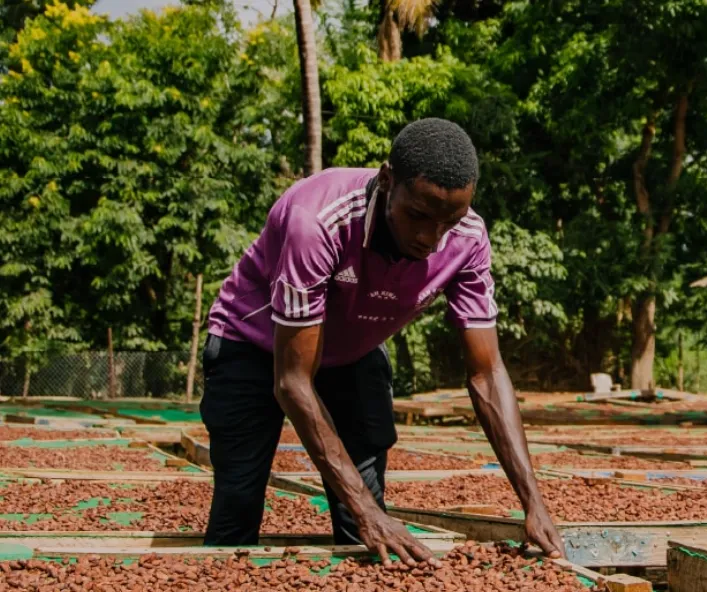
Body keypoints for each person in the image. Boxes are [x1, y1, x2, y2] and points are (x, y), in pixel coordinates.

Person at [200, 118, 565, 565]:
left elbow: (487, 373)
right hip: (253, 347)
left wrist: (533, 502)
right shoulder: (318, 221)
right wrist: (368, 512)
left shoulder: (468, 238)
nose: (430, 239)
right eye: (418, 216)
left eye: (448, 222)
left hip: (352, 353)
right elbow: (292, 381)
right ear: (387, 179)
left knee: (365, 523)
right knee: (239, 499)